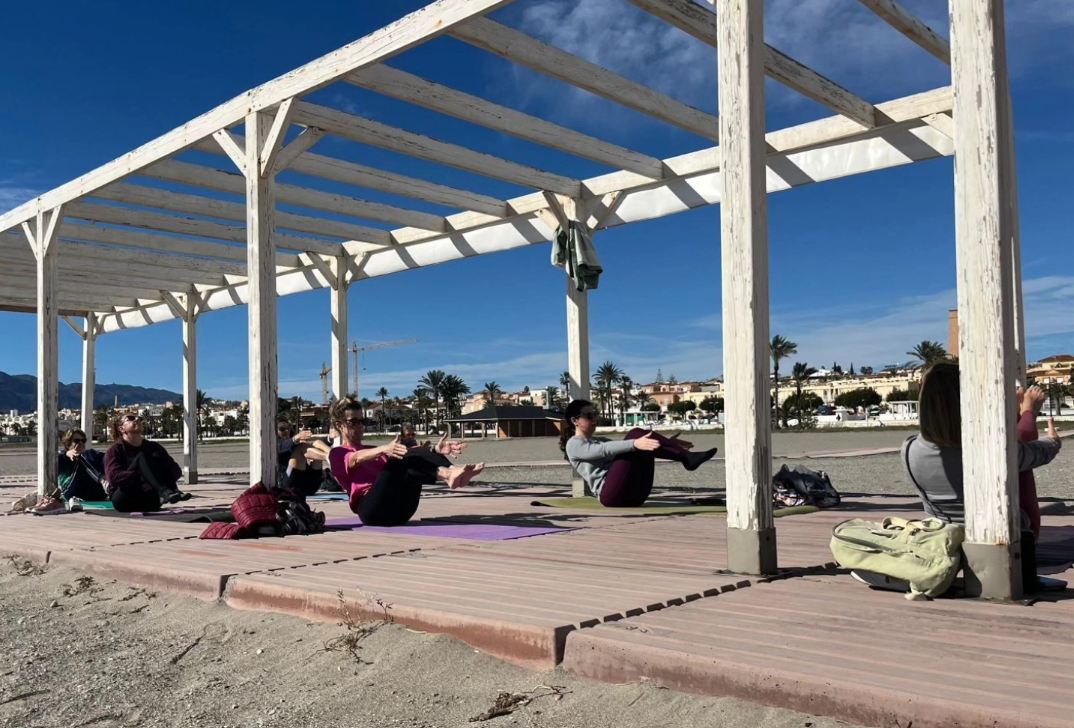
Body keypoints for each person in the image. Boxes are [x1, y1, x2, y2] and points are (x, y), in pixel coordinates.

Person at [902, 362, 1062, 527]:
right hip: (997, 534)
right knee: (1020, 468)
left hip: (940, 531)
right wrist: (1030, 414)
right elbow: (1034, 453)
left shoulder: (909, 448)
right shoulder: (987, 448)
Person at [328, 396, 483, 526]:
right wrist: (385, 449)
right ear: (339, 425)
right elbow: (355, 458)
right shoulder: (337, 453)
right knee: (399, 458)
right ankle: (448, 475)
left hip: (402, 511)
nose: (360, 426)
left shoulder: (374, 449)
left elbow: (411, 459)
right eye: (353, 422)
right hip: (372, 511)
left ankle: (452, 472)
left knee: (408, 453)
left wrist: (435, 450)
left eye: (362, 421)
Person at [559, 399, 718, 507]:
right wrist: (635, 443)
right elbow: (603, 451)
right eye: (589, 416)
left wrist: (670, 444)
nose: (594, 419)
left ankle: (685, 456)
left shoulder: (601, 439)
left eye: (595, 414)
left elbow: (623, 448)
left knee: (641, 444)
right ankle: (686, 458)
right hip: (610, 496)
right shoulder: (574, 444)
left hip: (636, 495)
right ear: (575, 421)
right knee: (635, 436)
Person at [104, 414, 188, 512]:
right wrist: (142, 474)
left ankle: (171, 490)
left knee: (156, 456)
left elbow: (176, 471)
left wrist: (157, 472)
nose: (136, 419)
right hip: (125, 499)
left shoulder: (154, 447)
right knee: (141, 457)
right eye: (130, 418)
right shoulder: (115, 450)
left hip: (151, 500)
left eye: (138, 418)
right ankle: (164, 491)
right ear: (121, 428)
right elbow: (113, 478)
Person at [57, 428, 107, 502]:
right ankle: (103, 480)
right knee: (84, 455)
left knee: (91, 454)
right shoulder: (62, 456)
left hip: (94, 494)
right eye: (76, 441)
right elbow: (56, 458)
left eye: (83, 440)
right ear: (68, 444)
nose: (81, 443)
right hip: (71, 492)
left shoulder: (89, 455)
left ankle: (108, 483)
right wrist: (66, 454)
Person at [276, 420, 324, 497]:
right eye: (282, 429)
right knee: (301, 447)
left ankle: (334, 455)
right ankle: (330, 457)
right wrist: (297, 438)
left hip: (308, 486)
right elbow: (281, 447)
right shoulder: (274, 445)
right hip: (288, 486)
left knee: (318, 443)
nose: (287, 431)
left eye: (288, 428)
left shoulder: (295, 442)